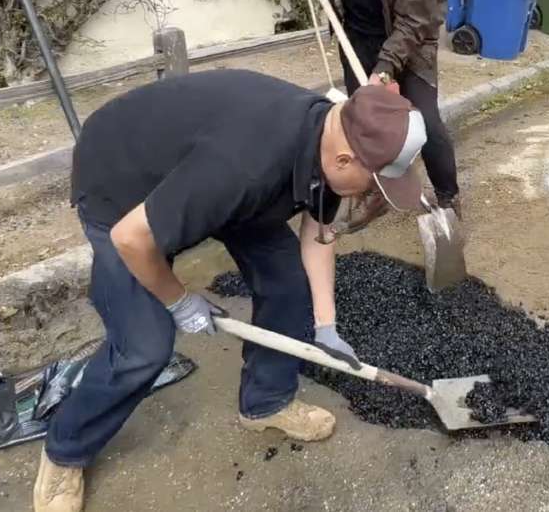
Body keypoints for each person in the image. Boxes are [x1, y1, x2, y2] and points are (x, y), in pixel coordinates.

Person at [33, 69, 427, 512]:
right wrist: (179, 301)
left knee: (288, 285)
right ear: (343, 161)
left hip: (209, 178)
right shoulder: (246, 167)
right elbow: (132, 238)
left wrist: (326, 324)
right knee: (144, 346)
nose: (372, 194)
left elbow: (317, 233)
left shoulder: (331, 136)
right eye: (374, 183)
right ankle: (65, 451)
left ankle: (266, 403)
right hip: (122, 182)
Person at [296, 0, 460, 232]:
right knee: (363, 123)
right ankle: (374, 192)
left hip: (409, 37)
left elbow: (416, 20)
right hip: (355, 31)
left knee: (425, 121)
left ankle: (449, 200)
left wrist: (384, 70)